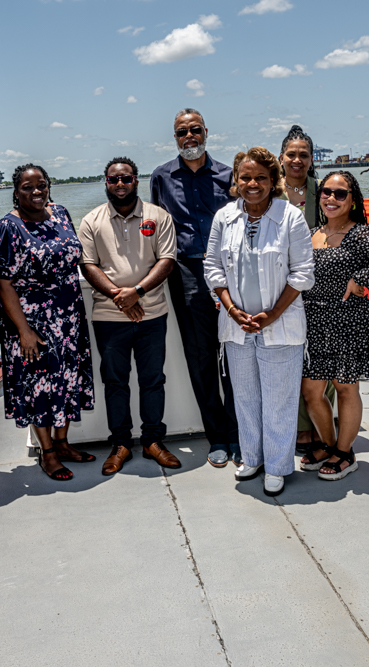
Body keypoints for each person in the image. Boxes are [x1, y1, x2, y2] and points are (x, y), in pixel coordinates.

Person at [204, 147, 315, 496]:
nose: (252, 184)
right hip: (236, 326)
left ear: (273, 181)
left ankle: (278, 467)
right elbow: (212, 268)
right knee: (246, 398)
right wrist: (231, 310)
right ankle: (252, 457)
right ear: (236, 180)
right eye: (246, 177)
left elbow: (303, 273)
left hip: (281, 325)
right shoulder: (224, 217)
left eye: (261, 178)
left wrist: (273, 315)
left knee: (279, 401)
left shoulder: (290, 216)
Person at [299, 171, 369, 480]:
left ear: (352, 200)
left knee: (345, 389)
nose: (331, 198)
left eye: (340, 193)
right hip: (314, 324)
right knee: (311, 391)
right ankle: (329, 445)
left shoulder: (361, 235)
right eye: (326, 191)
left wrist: (361, 277)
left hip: (349, 321)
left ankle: (344, 453)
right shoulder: (311, 233)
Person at [0, 164, 95, 481]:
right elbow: (3, 282)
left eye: (42, 185)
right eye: (28, 187)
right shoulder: (8, 227)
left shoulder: (60, 213)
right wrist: (24, 331)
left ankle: (63, 444)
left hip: (69, 317)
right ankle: (47, 453)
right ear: (16, 192)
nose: (36, 191)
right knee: (40, 387)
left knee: (67, 380)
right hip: (33, 323)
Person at [150, 108, 240, 467]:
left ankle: (239, 435)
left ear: (206, 132)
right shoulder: (161, 177)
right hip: (185, 271)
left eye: (195, 130)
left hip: (229, 271)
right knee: (200, 357)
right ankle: (217, 437)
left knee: (234, 356)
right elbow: (155, 228)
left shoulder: (229, 175)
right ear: (175, 137)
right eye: (182, 131)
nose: (189, 136)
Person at [79, 157, 179, 475]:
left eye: (126, 178)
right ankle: (120, 444)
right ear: (106, 183)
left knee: (153, 380)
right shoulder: (91, 221)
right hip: (109, 317)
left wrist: (137, 291)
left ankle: (152, 441)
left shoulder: (158, 216)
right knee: (115, 382)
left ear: (136, 180)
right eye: (113, 179)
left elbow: (167, 260)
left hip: (152, 313)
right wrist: (120, 297)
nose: (120, 184)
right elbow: (88, 265)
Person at [278, 124, 336, 451]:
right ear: (281, 157)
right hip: (280, 287)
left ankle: (322, 423)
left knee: (322, 356)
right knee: (292, 358)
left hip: (321, 285)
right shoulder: (269, 192)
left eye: (304, 154)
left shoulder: (326, 191)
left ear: (312, 158)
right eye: (292, 154)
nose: (297, 160)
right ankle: (300, 425)